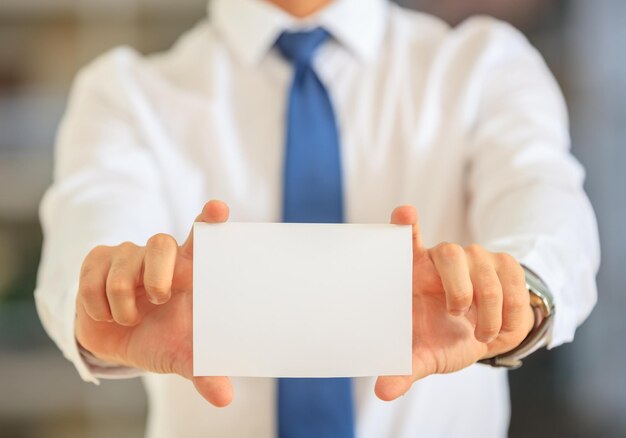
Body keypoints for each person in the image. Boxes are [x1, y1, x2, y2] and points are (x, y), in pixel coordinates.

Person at [34, 0, 600, 436]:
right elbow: (89, 227)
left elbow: (544, 199)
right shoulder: (123, 94)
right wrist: (104, 296)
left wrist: (516, 293)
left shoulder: (485, 65)